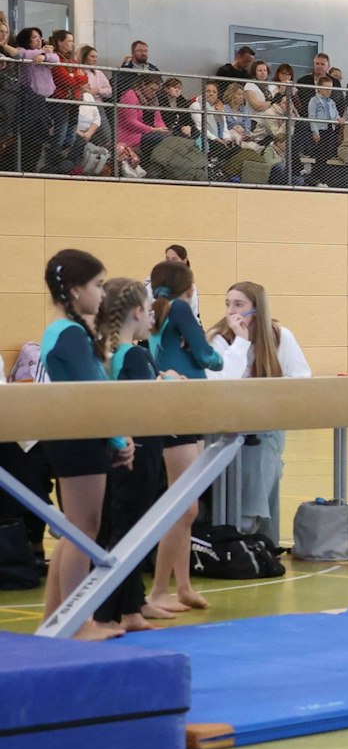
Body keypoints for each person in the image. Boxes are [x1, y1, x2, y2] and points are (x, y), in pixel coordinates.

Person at [34, 251, 131, 640]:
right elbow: (93, 390)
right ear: (75, 291)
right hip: (79, 437)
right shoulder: (70, 333)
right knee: (82, 531)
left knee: (76, 529)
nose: (103, 293)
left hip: (74, 435)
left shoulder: (64, 330)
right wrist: (120, 437)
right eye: (98, 285)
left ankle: (56, 618)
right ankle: (79, 624)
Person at [145, 259, 221, 614]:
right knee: (184, 506)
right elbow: (208, 357)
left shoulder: (158, 310)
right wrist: (215, 355)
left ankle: (183, 586)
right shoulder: (181, 308)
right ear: (189, 287)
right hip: (182, 406)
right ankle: (160, 590)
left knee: (186, 509)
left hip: (177, 404)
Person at [95, 278, 170, 633]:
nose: (153, 314)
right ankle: (106, 612)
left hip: (118, 449)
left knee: (119, 527)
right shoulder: (136, 355)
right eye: (151, 307)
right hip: (138, 450)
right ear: (138, 312)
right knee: (130, 531)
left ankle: (131, 608)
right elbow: (145, 404)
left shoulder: (107, 352)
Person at [211, 282, 311, 540]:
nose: (231, 310)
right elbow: (221, 381)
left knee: (266, 448)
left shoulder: (280, 336)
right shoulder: (219, 338)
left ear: (256, 309)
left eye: (239, 304)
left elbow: (301, 378)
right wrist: (241, 341)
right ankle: (244, 522)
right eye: (228, 303)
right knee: (260, 453)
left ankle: (255, 526)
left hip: (266, 422)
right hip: (226, 423)